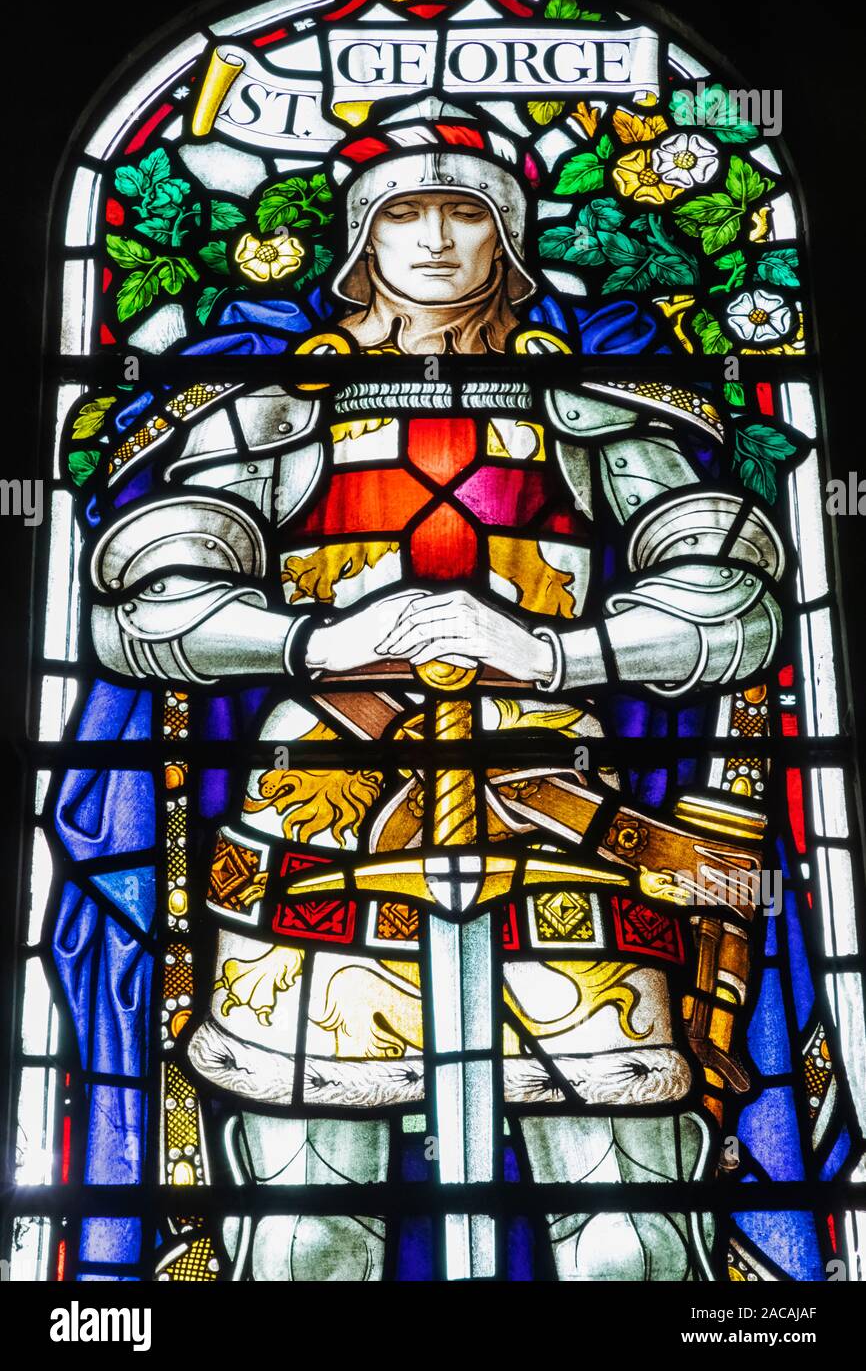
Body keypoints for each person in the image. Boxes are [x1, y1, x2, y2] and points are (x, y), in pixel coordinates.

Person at [87, 110, 784, 1280]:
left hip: (557, 830)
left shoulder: (590, 407)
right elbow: (146, 606)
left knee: (631, 1245)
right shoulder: (278, 408)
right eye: (403, 214)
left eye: (465, 213)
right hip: (313, 828)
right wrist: (317, 640)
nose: (434, 240)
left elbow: (732, 600)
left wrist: (553, 655)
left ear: (507, 240)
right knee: (303, 1245)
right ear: (359, 244)